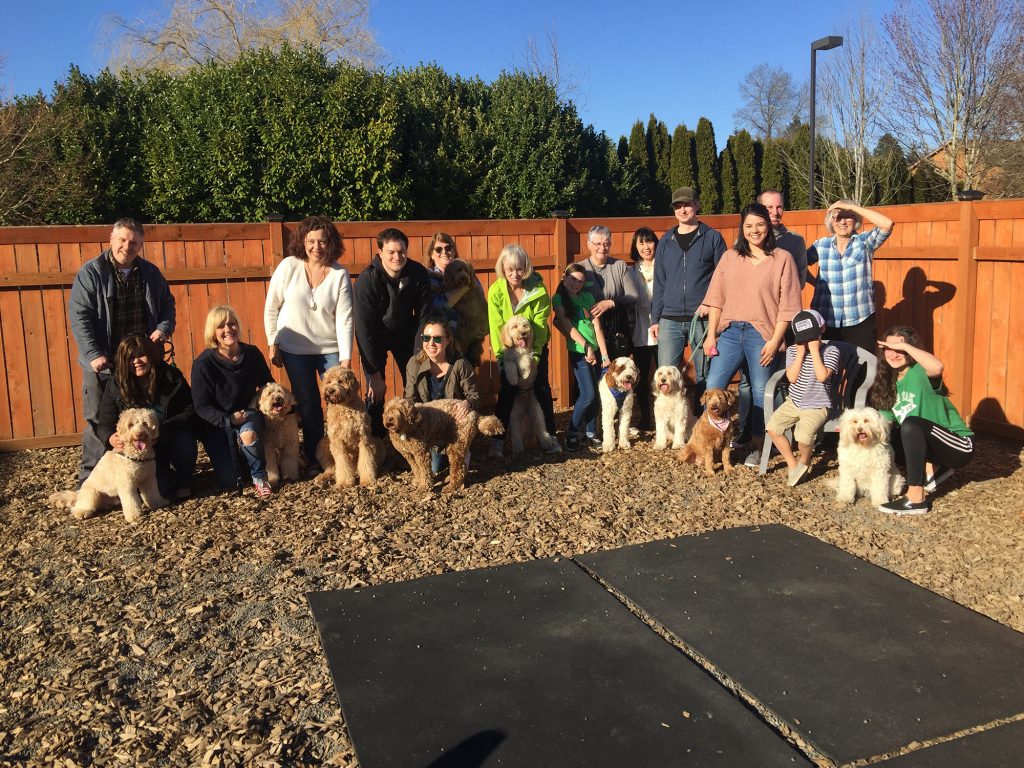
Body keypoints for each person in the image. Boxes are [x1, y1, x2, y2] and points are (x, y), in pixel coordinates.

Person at [69, 218, 175, 486]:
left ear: (140, 245)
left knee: (141, 420)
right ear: (111, 239)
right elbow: (80, 317)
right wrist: (94, 354)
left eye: (134, 242)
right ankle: (89, 480)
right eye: (122, 240)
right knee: (97, 420)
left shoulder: (150, 273)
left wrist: (162, 329)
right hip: (103, 362)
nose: (127, 246)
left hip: (139, 363)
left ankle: (144, 478)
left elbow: (167, 306)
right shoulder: (91, 273)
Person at [703, 203, 802, 466]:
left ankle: (759, 448)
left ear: (768, 226)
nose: (754, 230)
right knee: (713, 385)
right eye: (748, 226)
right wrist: (711, 335)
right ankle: (711, 442)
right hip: (730, 332)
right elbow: (716, 299)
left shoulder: (782, 259)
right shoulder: (730, 257)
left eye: (759, 224)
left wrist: (775, 341)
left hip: (763, 335)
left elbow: (788, 305)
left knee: (760, 392)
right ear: (742, 229)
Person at [264, 215, 353, 475]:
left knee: (340, 403)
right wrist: (273, 342)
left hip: (330, 350)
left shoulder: (339, 274)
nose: (316, 246)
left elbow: (345, 319)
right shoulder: (288, 266)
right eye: (311, 241)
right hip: (294, 350)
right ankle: (316, 456)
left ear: (331, 243)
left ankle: (340, 454)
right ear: (303, 241)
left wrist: (345, 359)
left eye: (322, 241)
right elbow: (272, 308)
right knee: (309, 403)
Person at [871, 325, 974, 515]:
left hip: (958, 445)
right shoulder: (888, 383)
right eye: (888, 349)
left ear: (911, 350)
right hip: (931, 444)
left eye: (900, 349)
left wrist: (907, 347)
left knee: (911, 424)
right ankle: (935, 468)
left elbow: (937, 366)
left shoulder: (920, 371)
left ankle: (916, 499)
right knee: (888, 437)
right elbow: (883, 426)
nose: (894, 354)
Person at [96, 333, 198, 500]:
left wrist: (161, 432)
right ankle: (163, 475)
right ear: (123, 361)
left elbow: (190, 410)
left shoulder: (171, 377)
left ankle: (184, 479)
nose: (136, 361)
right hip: (139, 449)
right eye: (130, 357)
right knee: (162, 490)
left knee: (184, 439)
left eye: (141, 355)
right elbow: (104, 424)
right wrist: (110, 438)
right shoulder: (115, 384)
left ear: (151, 355)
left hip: (168, 437)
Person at [353, 228, 432, 437]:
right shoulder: (366, 280)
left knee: (418, 385)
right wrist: (373, 373)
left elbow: (424, 316)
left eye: (402, 251)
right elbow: (363, 329)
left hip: (406, 334)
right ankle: (377, 442)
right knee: (375, 393)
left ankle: (417, 436)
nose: (397, 257)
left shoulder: (417, 273)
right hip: (375, 337)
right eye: (391, 252)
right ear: (380, 253)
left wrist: (418, 354)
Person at [192, 306, 275, 498]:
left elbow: (267, 385)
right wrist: (228, 419)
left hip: (247, 414)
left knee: (248, 434)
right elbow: (201, 406)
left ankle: (260, 478)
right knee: (229, 480)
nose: (228, 329)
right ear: (213, 332)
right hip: (218, 422)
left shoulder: (252, 353)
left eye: (232, 324)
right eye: (221, 326)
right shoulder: (203, 363)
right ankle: (244, 460)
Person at [651, 187, 727, 393]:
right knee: (666, 376)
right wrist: (655, 319)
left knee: (705, 373)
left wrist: (711, 304)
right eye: (677, 206)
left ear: (697, 205)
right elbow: (659, 281)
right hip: (669, 320)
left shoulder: (712, 238)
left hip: (702, 318)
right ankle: (670, 425)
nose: (682, 210)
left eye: (686, 204)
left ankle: (704, 421)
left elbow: (724, 278)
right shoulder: (666, 241)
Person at [487, 243, 557, 456]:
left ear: (526, 267)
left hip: (533, 346)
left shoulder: (538, 289)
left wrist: (535, 354)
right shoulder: (496, 291)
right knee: (508, 391)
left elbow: (539, 324)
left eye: (519, 268)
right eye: (509, 269)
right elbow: (496, 324)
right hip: (507, 349)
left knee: (542, 388)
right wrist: (503, 356)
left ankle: (550, 437)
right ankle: (498, 441)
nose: (514, 274)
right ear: (503, 269)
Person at [765, 310, 841, 487]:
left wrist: (814, 351)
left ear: (821, 329)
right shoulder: (793, 350)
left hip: (817, 405)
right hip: (794, 402)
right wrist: (800, 354)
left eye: (811, 337)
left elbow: (822, 376)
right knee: (773, 428)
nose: (807, 342)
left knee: (804, 437)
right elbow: (791, 378)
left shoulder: (831, 351)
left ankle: (805, 462)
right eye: (803, 338)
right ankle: (794, 465)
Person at [807, 200, 894, 352]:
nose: (843, 221)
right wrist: (814, 282)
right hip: (825, 320)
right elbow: (797, 265)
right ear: (831, 221)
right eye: (838, 217)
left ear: (856, 220)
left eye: (849, 216)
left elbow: (887, 224)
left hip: (860, 320)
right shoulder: (820, 245)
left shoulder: (865, 242)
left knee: (862, 371)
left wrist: (851, 207)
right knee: (828, 371)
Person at [404, 316, 480, 474]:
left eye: (437, 338)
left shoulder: (460, 364)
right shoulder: (414, 364)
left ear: (448, 340)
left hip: (454, 422)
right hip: (429, 425)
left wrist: (467, 403)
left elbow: (474, 396)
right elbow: (410, 399)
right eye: (426, 338)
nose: (431, 343)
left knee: (457, 462)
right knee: (435, 469)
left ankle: (463, 449)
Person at [553, 264, 610, 451]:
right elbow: (564, 322)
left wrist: (604, 354)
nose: (576, 284)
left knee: (596, 394)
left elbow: (597, 327)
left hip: (595, 350)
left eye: (581, 281)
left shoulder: (587, 297)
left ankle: (591, 433)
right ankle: (572, 433)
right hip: (579, 351)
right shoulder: (559, 298)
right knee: (588, 394)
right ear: (564, 277)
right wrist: (586, 347)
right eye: (573, 279)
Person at [577, 225, 638, 359]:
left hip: (616, 330)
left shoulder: (619, 265)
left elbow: (633, 296)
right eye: (597, 244)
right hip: (589, 330)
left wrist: (610, 303)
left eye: (606, 244)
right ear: (589, 245)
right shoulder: (580, 268)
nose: (602, 248)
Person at [628, 227, 658, 431]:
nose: (646, 247)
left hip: (663, 327)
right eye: (641, 243)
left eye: (649, 242)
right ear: (635, 247)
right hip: (640, 328)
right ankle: (646, 417)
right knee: (641, 375)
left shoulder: (664, 267)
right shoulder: (631, 271)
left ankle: (665, 416)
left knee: (665, 373)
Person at [758, 189, 808, 287]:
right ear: (759, 208)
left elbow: (800, 281)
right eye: (769, 207)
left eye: (779, 207)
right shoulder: (748, 240)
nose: (775, 212)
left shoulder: (796, 241)